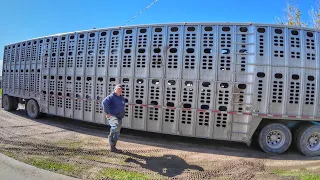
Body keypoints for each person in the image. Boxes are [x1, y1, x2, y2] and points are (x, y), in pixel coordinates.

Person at [102, 84, 126, 153]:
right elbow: (104, 103)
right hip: (112, 116)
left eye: (121, 89)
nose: (120, 90)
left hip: (119, 117)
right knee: (116, 126)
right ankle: (110, 137)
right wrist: (107, 113)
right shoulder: (111, 96)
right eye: (119, 88)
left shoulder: (121, 98)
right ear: (115, 89)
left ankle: (113, 147)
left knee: (117, 132)